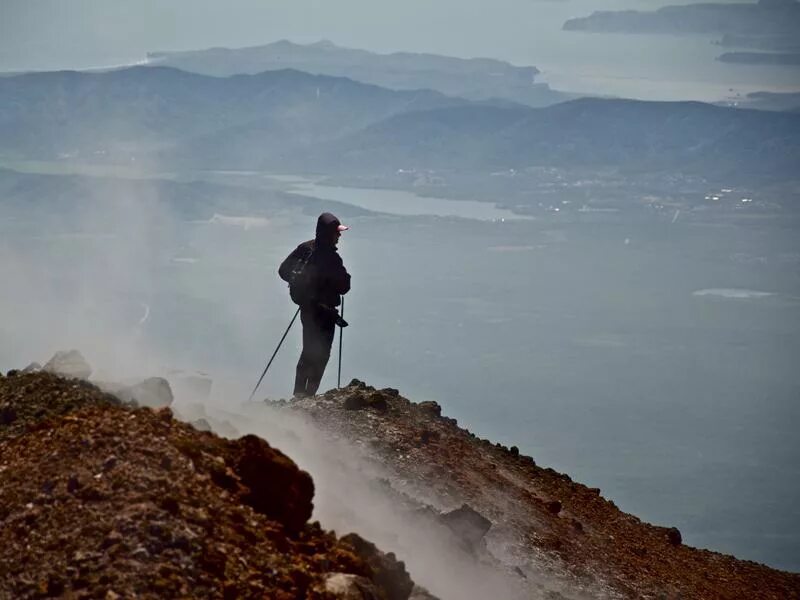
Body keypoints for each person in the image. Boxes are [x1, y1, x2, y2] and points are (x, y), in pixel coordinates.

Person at [279, 212, 351, 398]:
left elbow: (283, 270)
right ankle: (308, 397)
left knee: (308, 351)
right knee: (321, 355)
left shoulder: (305, 248)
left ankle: (299, 394)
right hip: (325, 314)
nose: (339, 235)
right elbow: (344, 287)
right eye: (337, 232)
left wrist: (302, 286)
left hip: (307, 309)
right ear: (329, 234)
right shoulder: (331, 258)